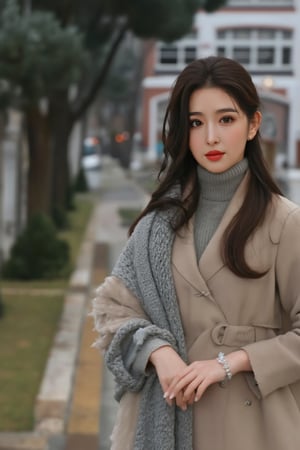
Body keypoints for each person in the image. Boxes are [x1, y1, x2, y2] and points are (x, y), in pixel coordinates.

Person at [92, 56, 300, 450]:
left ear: (253, 124)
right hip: (169, 415)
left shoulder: (286, 222)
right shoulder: (158, 221)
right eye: (196, 123)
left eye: (226, 119)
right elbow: (113, 309)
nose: (211, 138)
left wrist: (230, 362)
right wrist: (160, 351)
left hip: (258, 428)